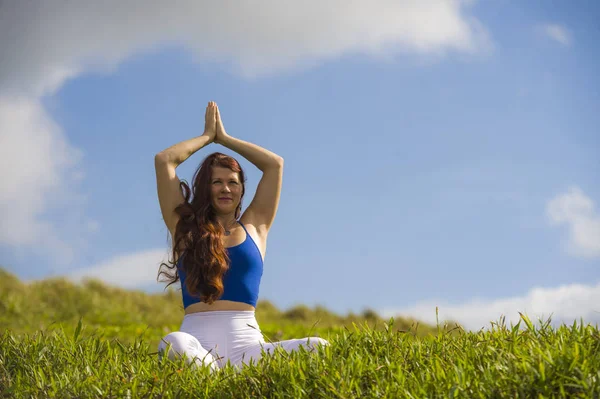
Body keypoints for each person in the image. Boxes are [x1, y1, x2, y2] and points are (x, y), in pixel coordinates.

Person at [154, 101, 329, 371]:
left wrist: (224, 138)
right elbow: (164, 160)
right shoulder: (185, 228)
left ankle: (221, 379)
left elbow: (274, 165)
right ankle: (211, 377)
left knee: (320, 347)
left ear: (241, 190)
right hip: (196, 345)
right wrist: (205, 138)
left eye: (233, 182)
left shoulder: (255, 227)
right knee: (171, 344)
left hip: (248, 350)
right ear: (205, 188)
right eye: (217, 182)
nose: (226, 188)